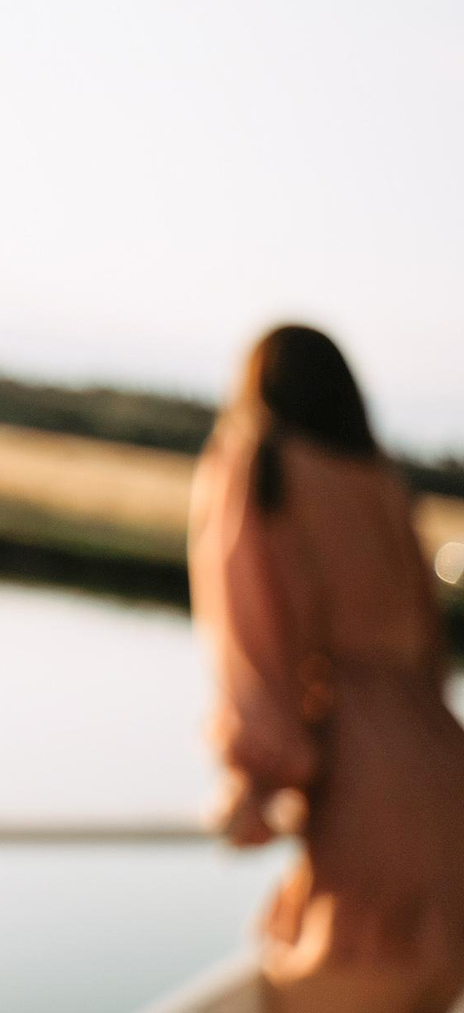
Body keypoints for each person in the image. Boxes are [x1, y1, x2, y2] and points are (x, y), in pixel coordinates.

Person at [189, 323, 464, 1011]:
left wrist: (256, 777)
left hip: (370, 785)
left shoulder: (262, 464)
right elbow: (428, 653)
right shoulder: (382, 482)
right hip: (445, 766)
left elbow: (255, 648)